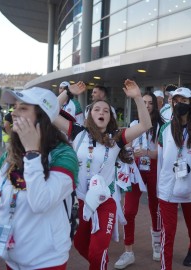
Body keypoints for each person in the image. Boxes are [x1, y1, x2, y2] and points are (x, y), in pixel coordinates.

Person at [0, 88, 79, 270]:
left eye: (23, 108)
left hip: (47, 261)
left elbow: (41, 202)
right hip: (12, 260)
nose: (14, 113)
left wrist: (33, 153)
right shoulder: (10, 155)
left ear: (42, 117)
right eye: (15, 107)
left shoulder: (64, 155)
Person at [54, 79, 152, 270]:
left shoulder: (116, 137)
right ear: (90, 114)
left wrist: (138, 98)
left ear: (110, 117)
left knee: (96, 252)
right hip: (80, 202)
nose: (101, 113)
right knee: (81, 245)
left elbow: (145, 125)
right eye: (97, 109)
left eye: (106, 111)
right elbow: (47, 113)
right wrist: (67, 92)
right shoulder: (77, 132)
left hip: (105, 202)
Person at [114, 92, 165, 269]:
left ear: (155, 106)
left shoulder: (161, 125)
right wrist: (129, 151)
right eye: (144, 102)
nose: (147, 105)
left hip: (153, 167)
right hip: (135, 168)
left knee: (155, 207)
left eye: (150, 103)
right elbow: (126, 145)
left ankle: (157, 243)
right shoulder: (135, 124)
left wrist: (147, 153)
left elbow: (162, 153)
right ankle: (128, 251)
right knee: (129, 210)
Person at [157, 87, 191, 269]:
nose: (179, 105)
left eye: (184, 101)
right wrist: (159, 188)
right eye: (176, 101)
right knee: (168, 233)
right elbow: (161, 161)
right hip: (167, 189)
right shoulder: (164, 129)